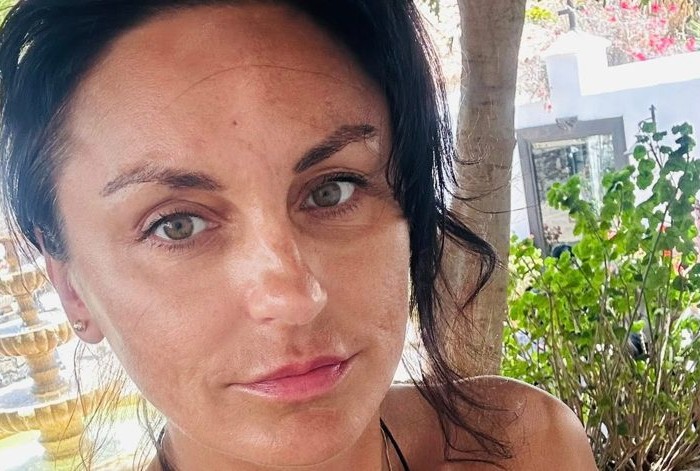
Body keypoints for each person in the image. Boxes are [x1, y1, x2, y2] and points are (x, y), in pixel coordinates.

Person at [0, 1, 597, 469]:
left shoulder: (524, 447)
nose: (293, 296)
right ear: (72, 289)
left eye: (332, 189)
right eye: (176, 225)